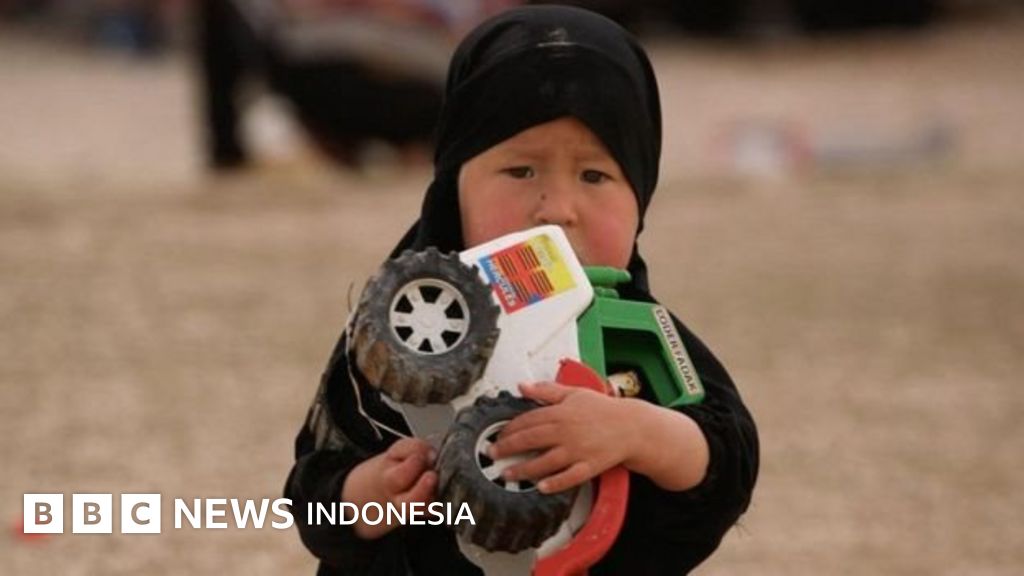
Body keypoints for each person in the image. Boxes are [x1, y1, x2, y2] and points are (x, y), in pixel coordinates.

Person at [284, 5, 758, 574]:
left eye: (594, 176)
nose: (555, 209)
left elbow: (727, 464)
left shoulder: (640, 337)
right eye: (520, 172)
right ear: (453, 188)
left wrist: (641, 435)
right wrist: (367, 496)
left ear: (641, 198)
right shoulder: (403, 329)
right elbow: (313, 493)